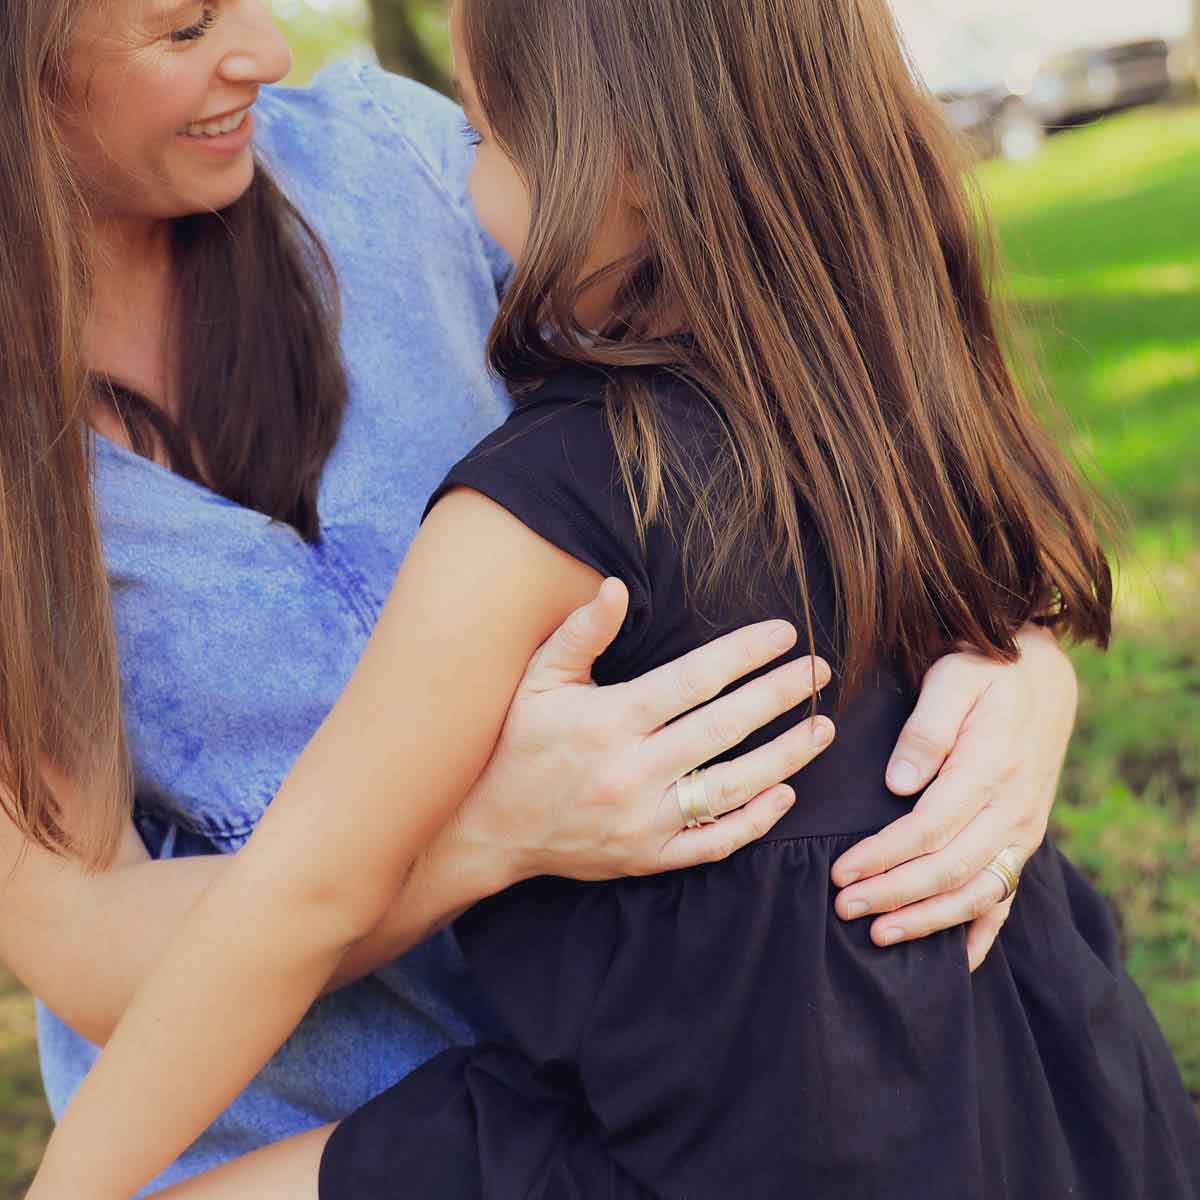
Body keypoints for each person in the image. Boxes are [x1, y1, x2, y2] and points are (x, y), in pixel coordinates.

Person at [29, 1, 1200, 1198]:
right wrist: (485, 835)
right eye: (184, 27)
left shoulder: (527, 492)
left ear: (613, 159)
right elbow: (127, 928)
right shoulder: (851, 399)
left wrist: (1011, 672)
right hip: (1005, 1083)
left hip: (684, 1107)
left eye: (486, 137)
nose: (269, 55)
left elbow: (305, 895)